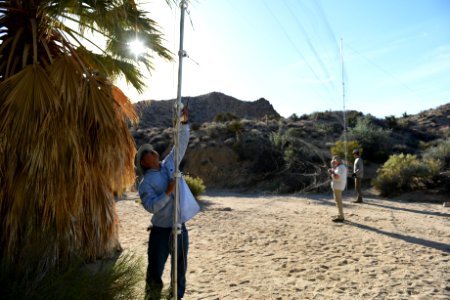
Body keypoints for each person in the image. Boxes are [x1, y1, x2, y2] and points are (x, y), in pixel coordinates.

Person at [136, 107, 199, 300]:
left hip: (180, 227)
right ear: (144, 163)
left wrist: (184, 123)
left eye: (151, 149)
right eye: (146, 152)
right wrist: (168, 192)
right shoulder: (145, 184)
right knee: (155, 270)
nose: (151, 150)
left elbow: (181, 143)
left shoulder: (170, 162)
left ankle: (177, 297)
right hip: (161, 231)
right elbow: (151, 206)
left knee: (180, 268)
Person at [328, 156, 347, 222]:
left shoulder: (340, 167)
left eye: (334, 161)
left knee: (338, 201)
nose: (333, 162)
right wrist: (333, 169)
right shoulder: (341, 167)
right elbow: (337, 174)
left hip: (338, 186)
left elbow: (336, 177)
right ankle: (340, 215)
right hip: (338, 186)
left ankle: (341, 216)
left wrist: (331, 172)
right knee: (338, 201)